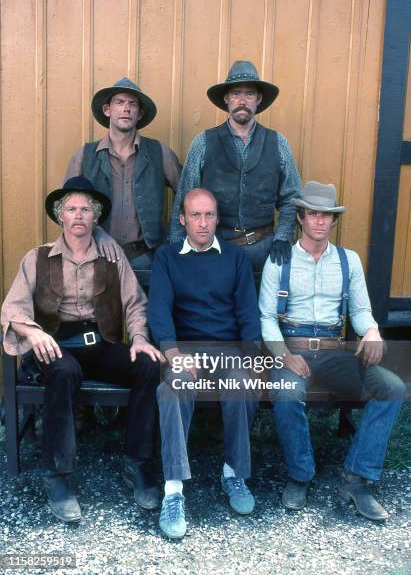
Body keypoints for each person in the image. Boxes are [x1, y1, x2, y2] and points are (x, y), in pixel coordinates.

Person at [1, 176, 163, 523]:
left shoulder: (111, 254)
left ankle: (137, 464)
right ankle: (58, 477)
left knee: (148, 366)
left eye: (86, 209)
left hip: (100, 344)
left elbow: (135, 302)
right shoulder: (38, 257)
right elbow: (11, 309)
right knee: (63, 370)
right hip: (56, 347)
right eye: (71, 208)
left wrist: (138, 338)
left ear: (96, 217)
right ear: (60, 216)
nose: (78, 215)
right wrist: (32, 333)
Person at [259, 181, 406, 521]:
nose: (320, 222)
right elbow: (266, 316)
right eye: (313, 214)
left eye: (327, 215)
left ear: (333, 220)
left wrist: (370, 332)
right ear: (300, 218)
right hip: (291, 348)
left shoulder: (347, 261)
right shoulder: (278, 261)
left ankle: (357, 478)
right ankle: (301, 475)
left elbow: (359, 310)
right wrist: (283, 355)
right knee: (285, 394)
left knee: (392, 388)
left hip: (334, 351)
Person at [148, 188, 261, 539]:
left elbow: (247, 312)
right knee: (172, 390)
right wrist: (173, 355)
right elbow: (159, 311)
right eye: (195, 215)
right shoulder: (168, 258)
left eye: (209, 215)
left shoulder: (236, 258)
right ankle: (173, 490)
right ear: (182, 219)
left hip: (228, 349)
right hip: (185, 350)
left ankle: (233, 473)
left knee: (244, 383)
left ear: (217, 219)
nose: (202, 222)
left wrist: (252, 355)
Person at [169, 60, 302, 270]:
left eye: (249, 94)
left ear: (258, 99)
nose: (242, 100)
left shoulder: (278, 143)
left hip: (265, 251)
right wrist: (179, 248)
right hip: (214, 249)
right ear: (226, 99)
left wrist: (283, 238)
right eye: (235, 93)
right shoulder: (203, 142)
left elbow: (292, 198)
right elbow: (185, 199)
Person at [66, 77, 181, 282]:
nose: (126, 108)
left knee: (145, 314)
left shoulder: (159, 152)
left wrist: (173, 239)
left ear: (140, 113)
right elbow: (66, 208)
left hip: (146, 259)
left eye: (132, 104)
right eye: (120, 102)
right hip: (95, 257)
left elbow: (189, 198)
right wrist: (97, 232)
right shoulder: (85, 155)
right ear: (107, 110)